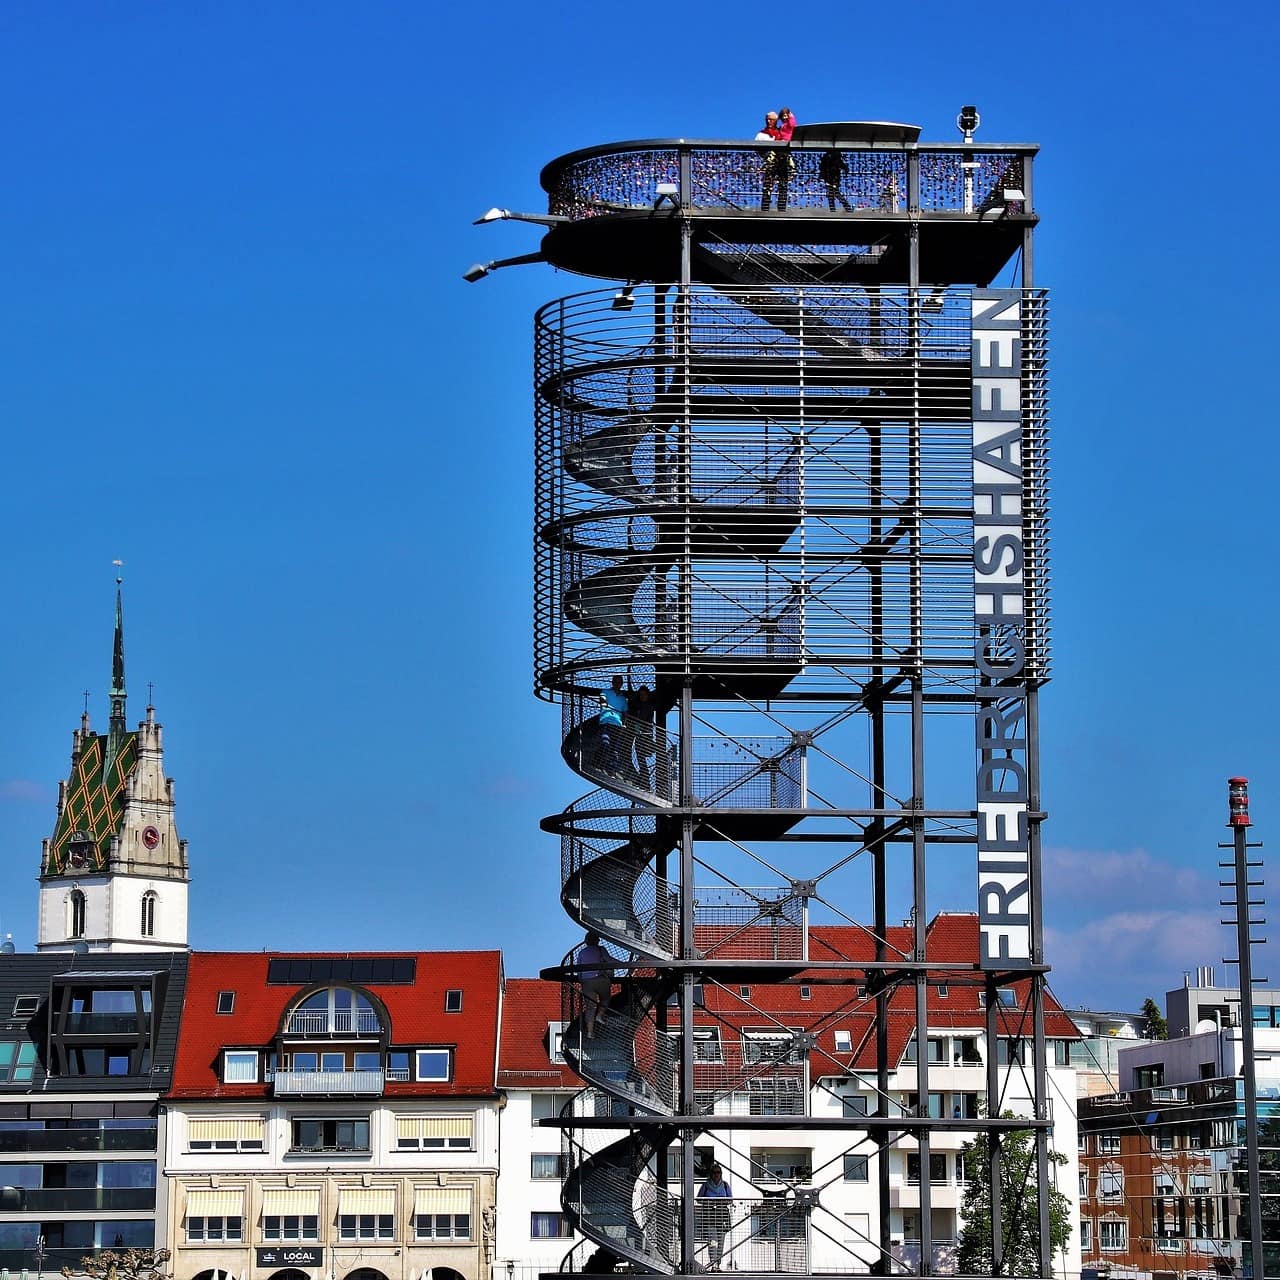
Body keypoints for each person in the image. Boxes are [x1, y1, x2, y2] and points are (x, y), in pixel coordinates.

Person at [577, 930, 615, 1040]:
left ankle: (589, 1032)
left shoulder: (581, 952)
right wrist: (624, 964)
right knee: (606, 997)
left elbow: (579, 970)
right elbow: (609, 960)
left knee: (590, 1008)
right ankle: (600, 1015)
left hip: (586, 982)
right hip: (599, 979)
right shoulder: (600, 949)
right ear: (597, 941)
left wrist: (582, 980)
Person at [697, 1163, 733, 1270]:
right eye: (714, 1172)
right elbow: (699, 1199)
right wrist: (710, 1202)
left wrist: (721, 1201)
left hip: (722, 1216)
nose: (716, 1175)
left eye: (718, 1172)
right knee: (713, 1240)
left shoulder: (725, 1185)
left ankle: (718, 1263)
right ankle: (713, 1263)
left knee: (720, 1241)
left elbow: (730, 1199)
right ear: (711, 1174)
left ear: (721, 1174)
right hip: (710, 1216)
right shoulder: (705, 1185)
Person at [595, 674, 629, 777]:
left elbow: (625, 713)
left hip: (617, 725)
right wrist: (605, 705)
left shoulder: (623, 699)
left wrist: (624, 724)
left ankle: (611, 769)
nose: (617, 684)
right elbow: (602, 701)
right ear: (612, 682)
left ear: (621, 684)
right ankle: (599, 764)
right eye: (615, 682)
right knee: (605, 742)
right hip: (606, 721)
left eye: (619, 682)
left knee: (615, 750)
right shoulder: (605, 692)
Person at [628, 684, 657, 785]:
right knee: (640, 756)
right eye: (641, 695)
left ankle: (644, 778)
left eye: (644, 695)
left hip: (645, 734)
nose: (642, 696)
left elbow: (646, 721)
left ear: (647, 695)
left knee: (642, 754)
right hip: (639, 734)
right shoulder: (637, 706)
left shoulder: (649, 706)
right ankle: (644, 779)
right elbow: (635, 719)